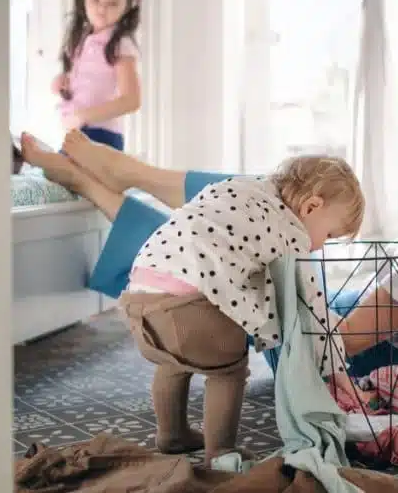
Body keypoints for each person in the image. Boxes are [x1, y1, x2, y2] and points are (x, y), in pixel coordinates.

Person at [19, 97, 398, 370]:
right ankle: (100, 182)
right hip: (312, 308)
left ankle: (126, 175)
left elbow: (340, 344)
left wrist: (263, 291)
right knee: (208, 231)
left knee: (252, 206)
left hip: (309, 341)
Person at [111, 153, 363, 459]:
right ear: (311, 207)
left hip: (139, 298)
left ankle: (172, 434)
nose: (321, 245)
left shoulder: (240, 187)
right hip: (189, 305)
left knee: (173, 362)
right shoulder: (292, 230)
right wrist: (336, 369)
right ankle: (220, 452)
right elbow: (312, 307)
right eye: (329, 234)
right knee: (228, 372)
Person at [53, 0, 142, 151]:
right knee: (54, 172)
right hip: (78, 131)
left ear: (127, 7)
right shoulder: (82, 39)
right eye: (95, 0)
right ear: (83, 0)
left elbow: (132, 100)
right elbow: (89, 81)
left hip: (101, 134)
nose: (102, 8)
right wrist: (63, 81)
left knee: (57, 172)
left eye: (113, 3)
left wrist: (84, 116)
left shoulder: (120, 44)